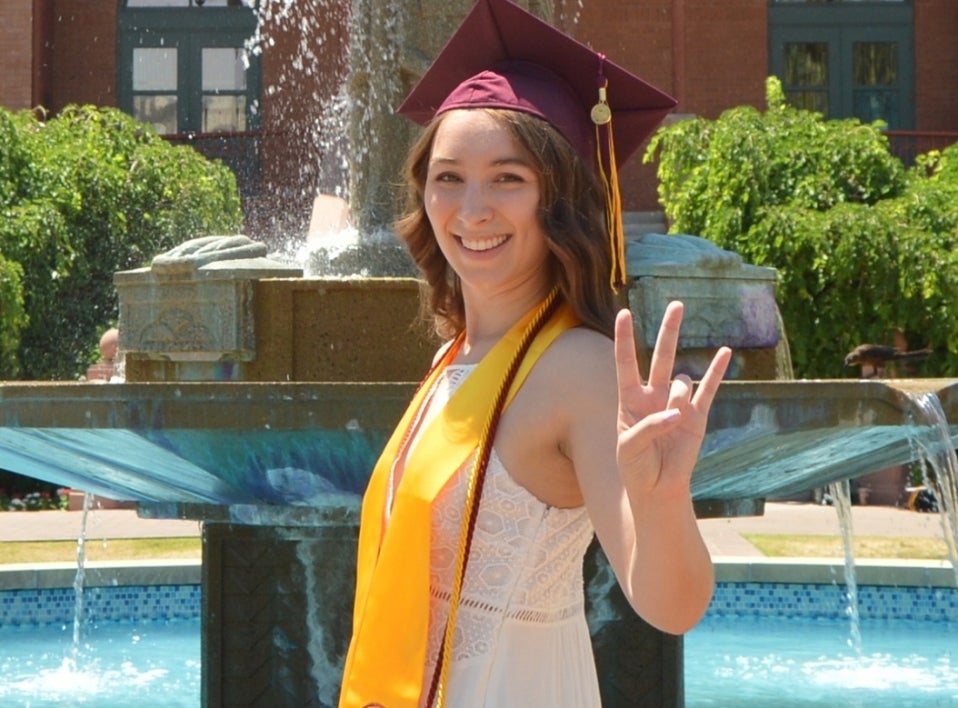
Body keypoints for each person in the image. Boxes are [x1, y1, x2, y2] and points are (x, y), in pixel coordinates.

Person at [339, 1, 732, 706]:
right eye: (448, 176)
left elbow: (671, 606)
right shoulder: (456, 354)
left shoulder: (579, 368)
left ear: (560, 199)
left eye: (509, 179)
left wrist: (664, 499)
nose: (472, 208)